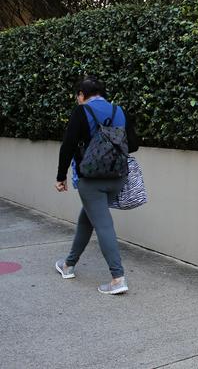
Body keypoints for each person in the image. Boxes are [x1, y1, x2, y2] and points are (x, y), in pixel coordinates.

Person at [54, 76, 138, 294]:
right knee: (87, 220)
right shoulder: (119, 111)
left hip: (91, 180)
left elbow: (68, 146)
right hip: (117, 178)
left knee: (103, 225)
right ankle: (68, 265)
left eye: (77, 96)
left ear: (82, 95)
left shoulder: (81, 111)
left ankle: (118, 278)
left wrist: (60, 176)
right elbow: (134, 144)